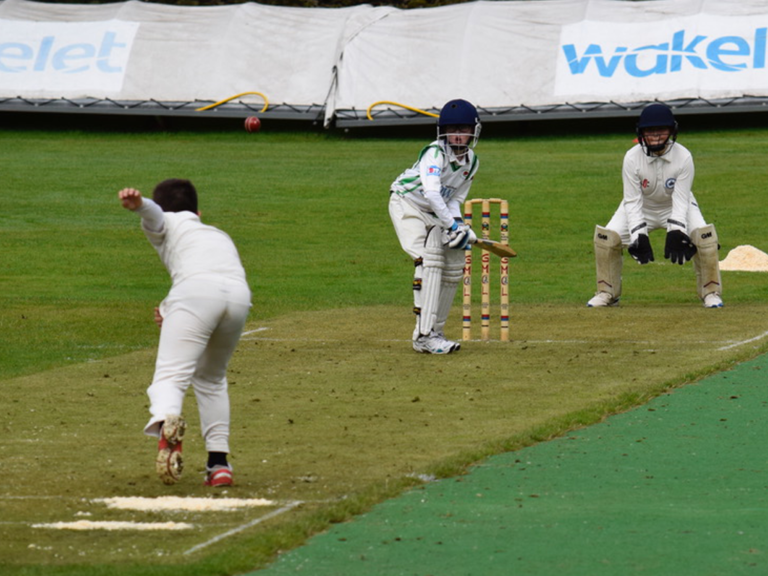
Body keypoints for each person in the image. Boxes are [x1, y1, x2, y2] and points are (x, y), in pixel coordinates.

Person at [118, 179, 251, 487]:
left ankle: (167, 425)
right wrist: (169, 309)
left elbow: (155, 216)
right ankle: (219, 465)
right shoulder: (216, 234)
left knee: (171, 376)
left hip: (196, 294)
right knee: (211, 378)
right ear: (199, 212)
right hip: (238, 296)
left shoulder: (167, 220)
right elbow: (210, 277)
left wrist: (139, 205)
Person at [587, 103, 723, 308]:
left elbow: (681, 198)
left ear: (672, 131)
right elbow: (631, 201)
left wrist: (676, 231)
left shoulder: (684, 156)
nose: (655, 136)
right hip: (642, 206)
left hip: (677, 205)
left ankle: (711, 292)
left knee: (705, 237)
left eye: (661, 131)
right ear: (641, 133)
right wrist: (638, 235)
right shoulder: (631, 157)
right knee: (607, 238)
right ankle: (607, 292)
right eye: (649, 131)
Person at [389, 99, 481, 354]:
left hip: (437, 210)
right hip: (408, 204)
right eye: (453, 130)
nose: (458, 135)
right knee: (427, 262)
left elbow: (455, 199)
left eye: (463, 130)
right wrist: (452, 224)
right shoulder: (434, 153)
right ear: (443, 131)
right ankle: (423, 337)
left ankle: (436, 332)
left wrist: (460, 226)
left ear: (473, 131)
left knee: (454, 262)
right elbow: (431, 192)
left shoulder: (471, 162)